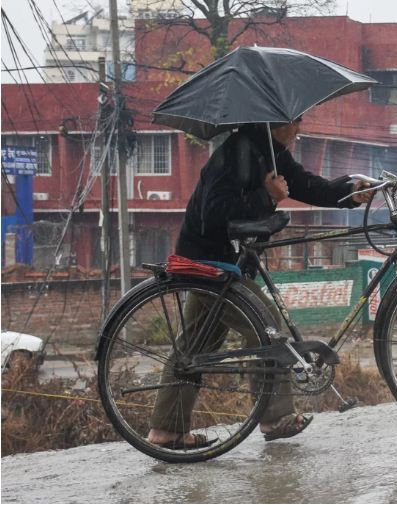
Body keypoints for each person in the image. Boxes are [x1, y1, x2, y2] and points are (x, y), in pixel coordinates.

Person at [147, 118, 373, 449]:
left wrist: (352, 192)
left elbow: (308, 185)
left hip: (225, 264)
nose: (298, 130)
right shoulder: (236, 152)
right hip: (208, 264)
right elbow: (214, 214)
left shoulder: (270, 152)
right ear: (274, 123)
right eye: (294, 123)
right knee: (265, 324)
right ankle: (275, 418)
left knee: (194, 348)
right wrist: (266, 196)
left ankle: (166, 431)